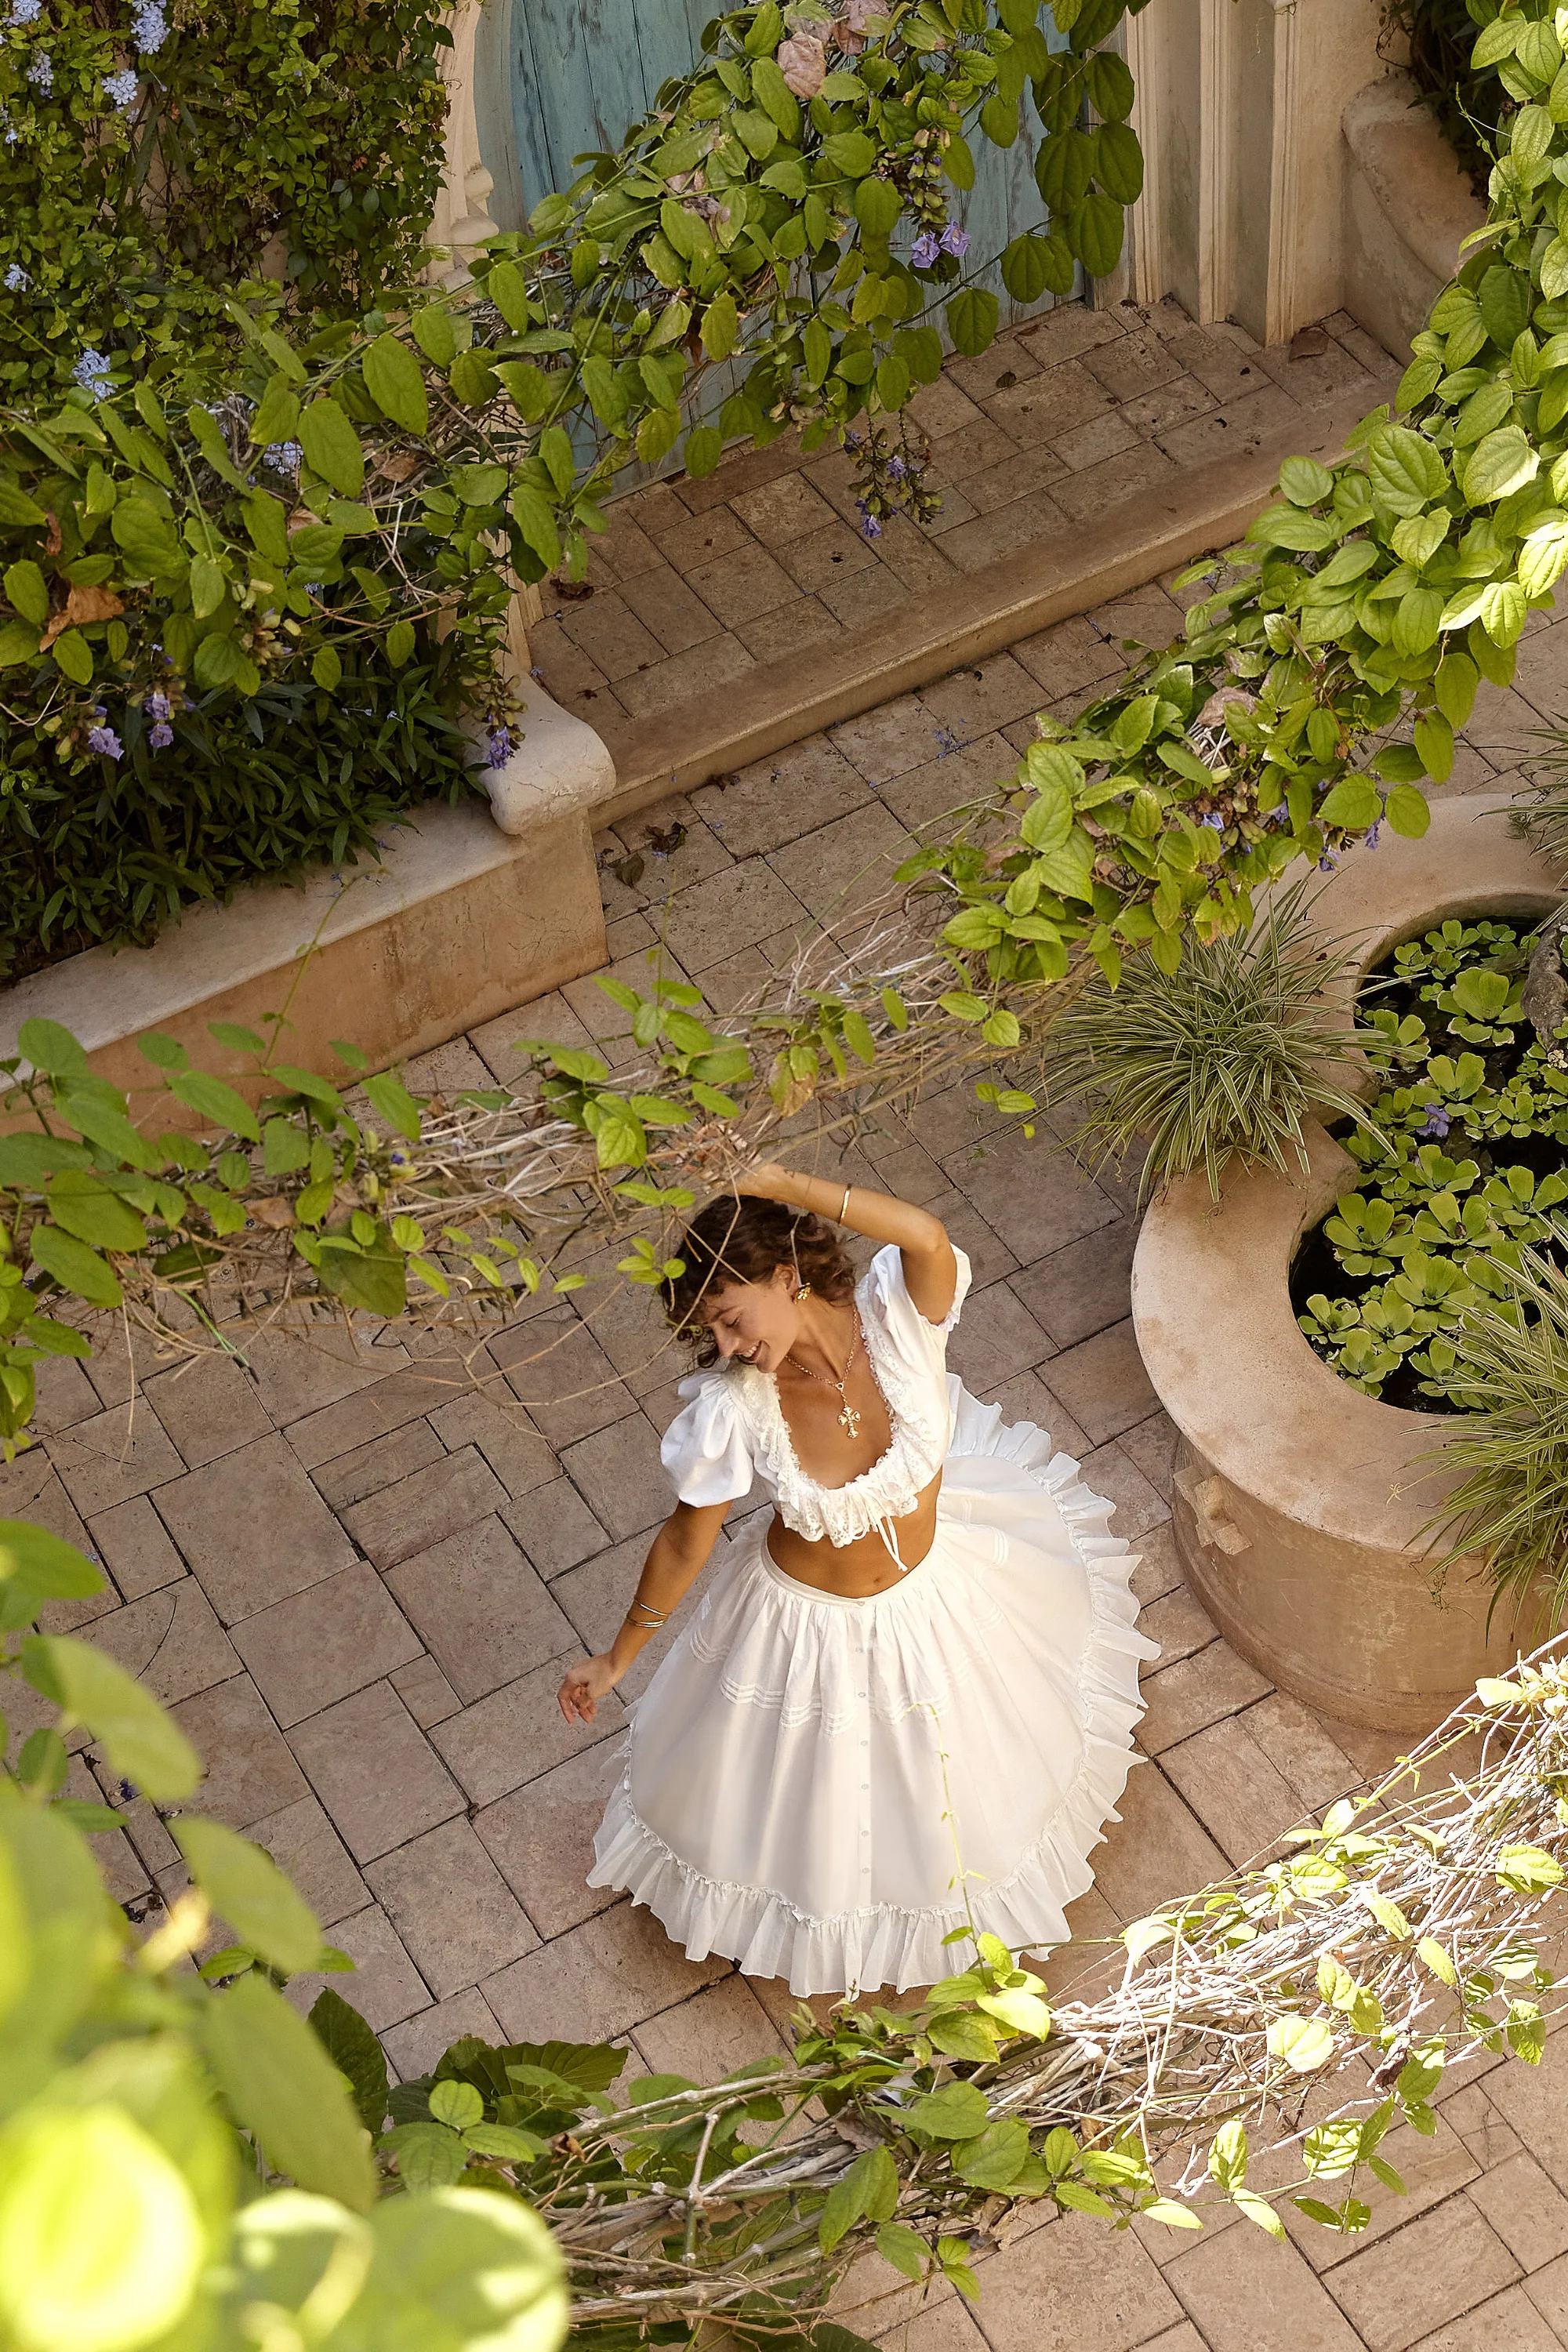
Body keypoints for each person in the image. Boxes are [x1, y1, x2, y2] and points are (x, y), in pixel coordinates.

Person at [556, 1162, 1156, 1998]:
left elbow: (925, 1236)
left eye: (730, 1319)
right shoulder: (734, 1406)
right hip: (808, 1629)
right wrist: (616, 1659)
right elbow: (686, 1540)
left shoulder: (892, 1318)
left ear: (784, 1276)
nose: (726, 1347)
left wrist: (778, 1182)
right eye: (711, 1331)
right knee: (821, 1798)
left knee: (955, 1767)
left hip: (932, 1590)